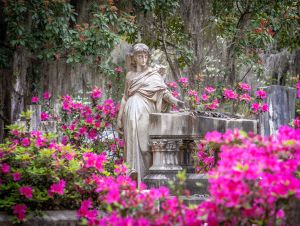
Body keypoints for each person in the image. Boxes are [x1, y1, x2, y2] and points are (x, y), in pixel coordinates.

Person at [117, 43, 184, 185]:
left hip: (146, 111)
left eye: (145, 56)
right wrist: (119, 118)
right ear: (134, 58)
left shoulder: (154, 74)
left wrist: (177, 102)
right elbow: (125, 97)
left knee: (145, 146)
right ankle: (132, 176)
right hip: (129, 113)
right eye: (139, 56)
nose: (143, 58)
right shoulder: (130, 75)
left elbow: (164, 93)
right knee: (131, 144)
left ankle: (147, 180)